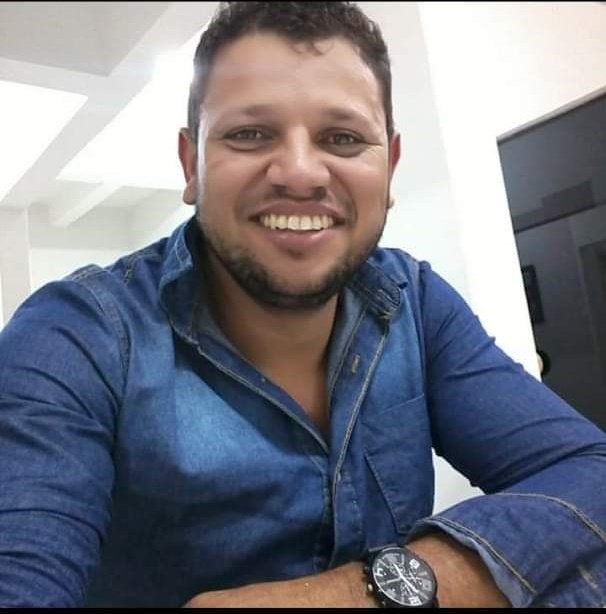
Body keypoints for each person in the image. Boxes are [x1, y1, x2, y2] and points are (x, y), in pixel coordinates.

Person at [0, 1, 604, 608]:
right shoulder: (75, 336)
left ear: (390, 167)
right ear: (192, 164)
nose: (299, 173)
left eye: (342, 138)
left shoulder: (415, 303)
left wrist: (365, 594)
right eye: (249, 134)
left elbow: (591, 471)